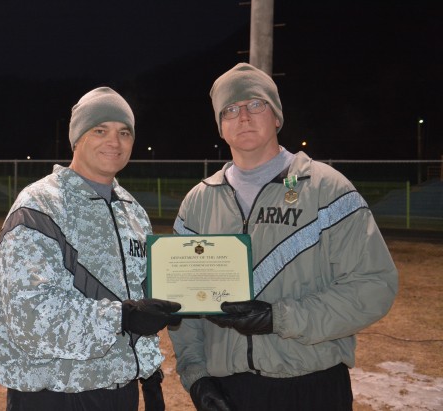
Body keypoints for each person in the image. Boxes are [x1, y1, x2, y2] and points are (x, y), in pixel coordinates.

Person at [168, 63, 399, 411]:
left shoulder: (326, 188)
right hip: (229, 391)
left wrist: (281, 318)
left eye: (255, 105)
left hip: (313, 386)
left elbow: (373, 286)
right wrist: (197, 377)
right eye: (230, 110)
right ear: (220, 127)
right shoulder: (199, 202)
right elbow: (184, 308)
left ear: (276, 117)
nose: (243, 116)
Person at [0, 86, 181, 411]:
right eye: (100, 130)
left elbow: (138, 300)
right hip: (55, 393)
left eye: (124, 132)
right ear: (77, 138)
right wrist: (122, 318)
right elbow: (28, 315)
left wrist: (149, 373)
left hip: (119, 389)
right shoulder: (40, 206)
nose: (114, 142)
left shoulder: (132, 212)